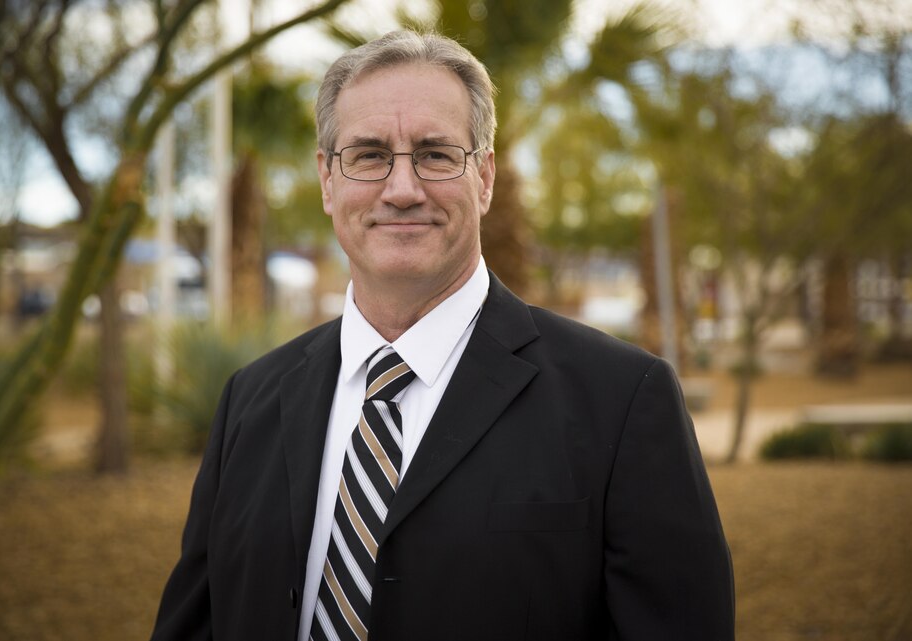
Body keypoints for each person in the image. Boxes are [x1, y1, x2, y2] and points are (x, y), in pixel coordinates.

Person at [149, 30, 734, 641]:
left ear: (483, 177)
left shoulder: (622, 400)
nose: (402, 190)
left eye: (435, 154)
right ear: (327, 180)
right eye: (369, 155)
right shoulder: (251, 398)